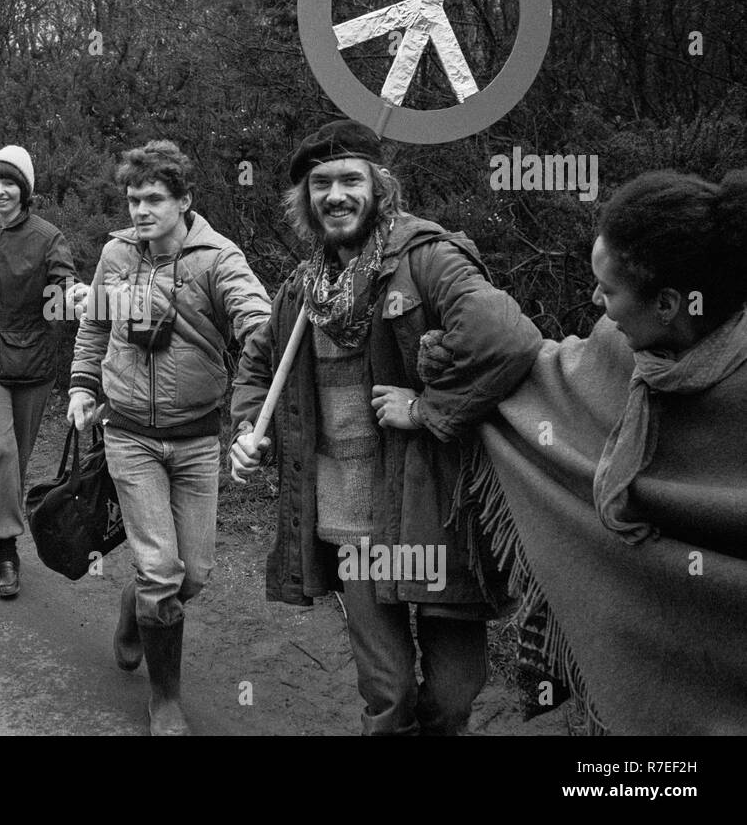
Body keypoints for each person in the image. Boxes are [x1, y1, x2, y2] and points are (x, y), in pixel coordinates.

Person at [228, 119, 541, 736]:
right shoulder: (302, 290)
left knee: (452, 700)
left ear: (381, 187)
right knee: (388, 696)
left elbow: (507, 337)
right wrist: (248, 431)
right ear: (305, 200)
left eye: (350, 179)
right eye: (321, 184)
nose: (336, 195)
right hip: (351, 529)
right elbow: (256, 368)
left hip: (433, 516)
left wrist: (427, 408)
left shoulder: (426, 257)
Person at [435, 169, 747, 734]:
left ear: (670, 303)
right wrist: (438, 397)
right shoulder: (621, 349)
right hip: (655, 627)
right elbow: (538, 385)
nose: (595, 302)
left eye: (608, 290)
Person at [69, 140, 271, 735]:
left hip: (196, 440)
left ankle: (136, 609)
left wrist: (262, 332)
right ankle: (165, 699)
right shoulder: (116, 255)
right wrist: (83, 385)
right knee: (161, 569)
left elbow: (252, 313)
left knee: (195, 574)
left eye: (154, 199)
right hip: (129, 435)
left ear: (184, 201)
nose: (140, 210)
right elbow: (94, 325)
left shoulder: (217, 258)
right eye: (133, 199)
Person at [0, 145, 84, 598]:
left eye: (9, 183)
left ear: (25, 189)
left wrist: (75, 297)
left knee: (16, 458)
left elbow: (63, 286)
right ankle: (5, 548)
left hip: (31, 362)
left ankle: (0, 525)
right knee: (1, 449)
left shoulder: (47, 237)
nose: (0, 190)